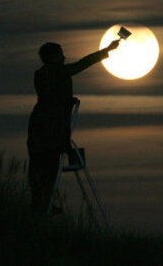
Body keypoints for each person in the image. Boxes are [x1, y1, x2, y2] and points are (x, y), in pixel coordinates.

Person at [27, 40, 120, 214]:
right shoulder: (56, 72)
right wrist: (106, 50)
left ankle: (40, 205)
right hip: (50, 128)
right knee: (48, 168)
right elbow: (81, 65)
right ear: (53, 56)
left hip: (39, 126)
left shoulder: (41, 74)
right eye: (61, 54)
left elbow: (52, 96)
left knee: (38, 168)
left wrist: (67, 101)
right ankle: (43, 207)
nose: (64, 57)